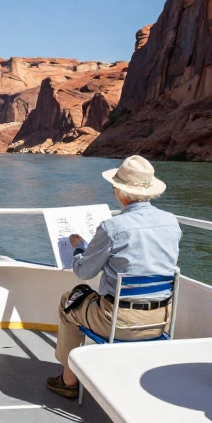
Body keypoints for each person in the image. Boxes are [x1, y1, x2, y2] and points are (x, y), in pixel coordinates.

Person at [45, 155, 181, 399]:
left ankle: (68, 381)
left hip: (119, 322)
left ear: (120, 192)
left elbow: (84, 272)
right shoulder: (172, 222)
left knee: (68, 302)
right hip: (161, 320)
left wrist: (79, 249)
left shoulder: (113, 227)